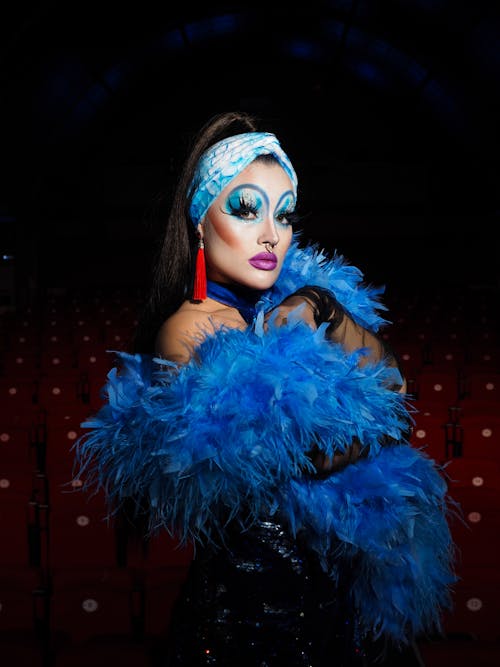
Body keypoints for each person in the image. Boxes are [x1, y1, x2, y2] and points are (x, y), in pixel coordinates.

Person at [74, 111, 456, 666]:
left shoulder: (288, 308)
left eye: (285, 214)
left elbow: (394, 384)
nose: (271, 234)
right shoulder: (190, 328)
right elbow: (292, 456)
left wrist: (322, 305)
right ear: (200, 223)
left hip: (334, 608)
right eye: (246, 208)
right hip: (250, 623)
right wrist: (383, 425)